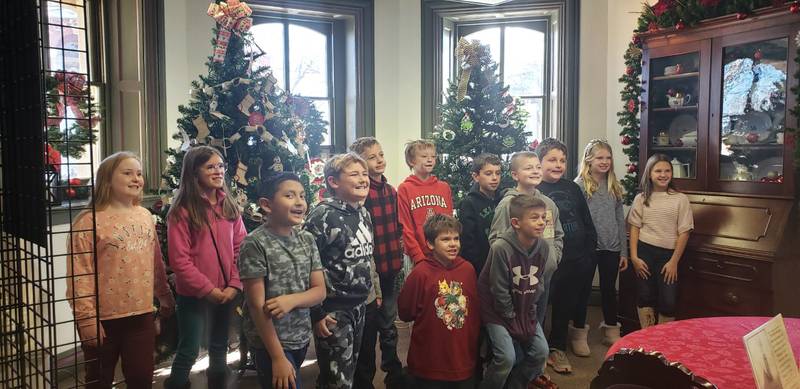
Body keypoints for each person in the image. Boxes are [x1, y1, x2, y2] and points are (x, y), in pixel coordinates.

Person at [66, 151, 175, 389]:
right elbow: (79, 275)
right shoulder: (87, 222)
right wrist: (86, 319)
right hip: (103, 320)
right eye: (127, 173)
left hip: (141, 315)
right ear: (107, 179)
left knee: (141, 378)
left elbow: (156, 262)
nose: (136, 178)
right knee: (98, 380)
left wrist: (164, 296)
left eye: (139, 173)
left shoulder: (145, 216)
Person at [165, 146, 247, 389]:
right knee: (189, 349)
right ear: (193, 172)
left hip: (226, 292)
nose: (218, 171)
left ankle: (217, 383)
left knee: (220, 345)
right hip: (195, 296)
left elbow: (240, 248)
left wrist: (234, 284)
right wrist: (209, 290)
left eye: (220, 166)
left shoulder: (229, 206)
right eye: (210, 167)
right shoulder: (181, 211)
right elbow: (180, 261)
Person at [238, 172, 327, 389]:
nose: (299, 202)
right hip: (272, 344)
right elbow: (257, 306)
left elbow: (320, 291)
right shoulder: (254, 244)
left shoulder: (306, 239)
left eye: (302, 196)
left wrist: (291, 301)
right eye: (289, 196)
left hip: (301, 337)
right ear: (267, 205)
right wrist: (277, 357)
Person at [304, 153, 376, 389]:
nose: (363, 179)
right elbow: (306, 265)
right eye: (354, 174)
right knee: (337, 379)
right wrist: (317, 312)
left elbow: (367, 258)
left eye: (364, 174)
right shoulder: (322, 215)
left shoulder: (363, 213)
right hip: (334, 309)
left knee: (348, 373)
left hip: (360, 305)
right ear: (334, 182)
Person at [479, 195, 556, 389]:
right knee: (506, 357)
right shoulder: (501, 248)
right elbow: (498, 290)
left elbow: (538, 284)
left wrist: (528, 312)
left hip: (524, 308)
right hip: (497, 311)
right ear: (516, 223)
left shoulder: (544, 247)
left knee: (541, 352)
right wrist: (512, 318)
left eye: (543, 217)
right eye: (534, 218)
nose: (541, 222)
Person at [535, 138, 597, 373]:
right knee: (539, 307)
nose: (558, 165)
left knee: (564, 306)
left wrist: (589, 251)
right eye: (551, 160)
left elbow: (586, 219)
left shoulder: (573, 188)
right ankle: (537, 350)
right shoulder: (536, 189)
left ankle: (557, 348)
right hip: (548, 261)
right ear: (539, 162)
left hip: (576, 258)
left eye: (562, 160)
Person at [398, 214, 480, 389]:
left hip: (462, 362)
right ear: (430, 244)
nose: (453, 244)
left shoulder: (468, 270)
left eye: (456, 238)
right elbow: (405, 312)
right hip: (428, 365)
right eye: (445, 239)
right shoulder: (420, 274)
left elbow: (473, 313)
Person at [349, 137, 405, 389]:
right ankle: (365, 379)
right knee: (370, 329)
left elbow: (396, 226)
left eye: (380, 154)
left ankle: (393, 370)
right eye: (372, 157)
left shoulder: (391, 191)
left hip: (390, 267)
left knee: (389, 325)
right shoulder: (362, 194)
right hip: (370, 273)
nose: (380, 160)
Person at [489, 151, 563, 330]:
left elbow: (557, 235)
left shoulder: (548, 204)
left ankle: (534, 356)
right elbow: (496, 239)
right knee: (515, 324)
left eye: (538, 167)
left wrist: (553, 258)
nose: (535, 171)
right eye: (528, 168)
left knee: (536, 322)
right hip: (517, 282)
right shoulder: (508, 204)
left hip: (543, 277)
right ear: (515, 175)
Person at [627, 153, 693, 329]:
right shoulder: (641, 199)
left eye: (667, 171)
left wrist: (674, 262)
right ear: (649, 173)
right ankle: (647, 334)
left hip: (669, 256)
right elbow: (634, 228)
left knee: (668, 300)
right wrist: (634, 257)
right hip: (644, 252)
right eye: (658, 171)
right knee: (645, 295)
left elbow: (684, 232)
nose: (663, 175)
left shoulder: (680, 199)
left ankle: (663, 336)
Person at [574, 140, 628, 346]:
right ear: (589, 160)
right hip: (588, 248)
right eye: (599, 158)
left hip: (611, 247)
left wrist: (623, 251)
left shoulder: (614, 185)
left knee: (608, 290)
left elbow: (619, 220)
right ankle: (579, 332)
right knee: (584, 290)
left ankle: (611, 331)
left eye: (608, 157)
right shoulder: (579, 186)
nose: (604, 162)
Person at [397, 139, 454, 265]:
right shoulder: (405, 188)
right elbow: (406, 228)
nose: (430, 160)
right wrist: (418, 257)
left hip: (442, 255)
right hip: (417, 256)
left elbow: (450, 224)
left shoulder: (444, 187)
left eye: (433, 156)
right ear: (411, 161)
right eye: (424, 156)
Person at [458, 153, 503, 276]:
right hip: (480, 267)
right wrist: (478, 267)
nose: (495, 178)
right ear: (476, 176)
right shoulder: (469, 203)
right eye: (488, 174)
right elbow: (468, 241)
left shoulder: (504, 199)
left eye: (498, 173)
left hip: (503, 263)